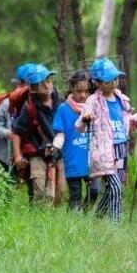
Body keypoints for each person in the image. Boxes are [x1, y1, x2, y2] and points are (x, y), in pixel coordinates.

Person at [76, 57, 137, 222]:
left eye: (115, 78)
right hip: (104, 151)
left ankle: (97, 219)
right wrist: (85, 117)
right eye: (108, 79)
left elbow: (127, 120)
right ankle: (115, 226)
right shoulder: (93, 101)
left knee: (112, 190)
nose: (113, 82)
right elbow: (80, 125)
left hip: (121, 149)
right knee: (116, 189)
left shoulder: (121, 99)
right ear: (98, 82)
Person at [11, 63, 65, 205]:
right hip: (37, 150)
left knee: (60, 192)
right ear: (33, 88)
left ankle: (53, 220)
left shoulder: (60, 102)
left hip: (58, 151)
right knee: (39, 188)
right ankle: (38, 215)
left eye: (48, 81)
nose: (47, 86)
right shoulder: (29, 107)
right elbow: (17, 132)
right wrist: (17, 155)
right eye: (41, 84)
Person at [51, 70, 97, 211]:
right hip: (72, 160)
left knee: (94, 191)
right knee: (75, 196)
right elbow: (60, 134)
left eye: (86, 91)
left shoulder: (96, 107)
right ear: (71, 88)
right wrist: (55, 146)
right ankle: (74, 222)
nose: (83, 95)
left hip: (92, 161)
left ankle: (83, 216)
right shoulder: (63, 109)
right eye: (78, 91)